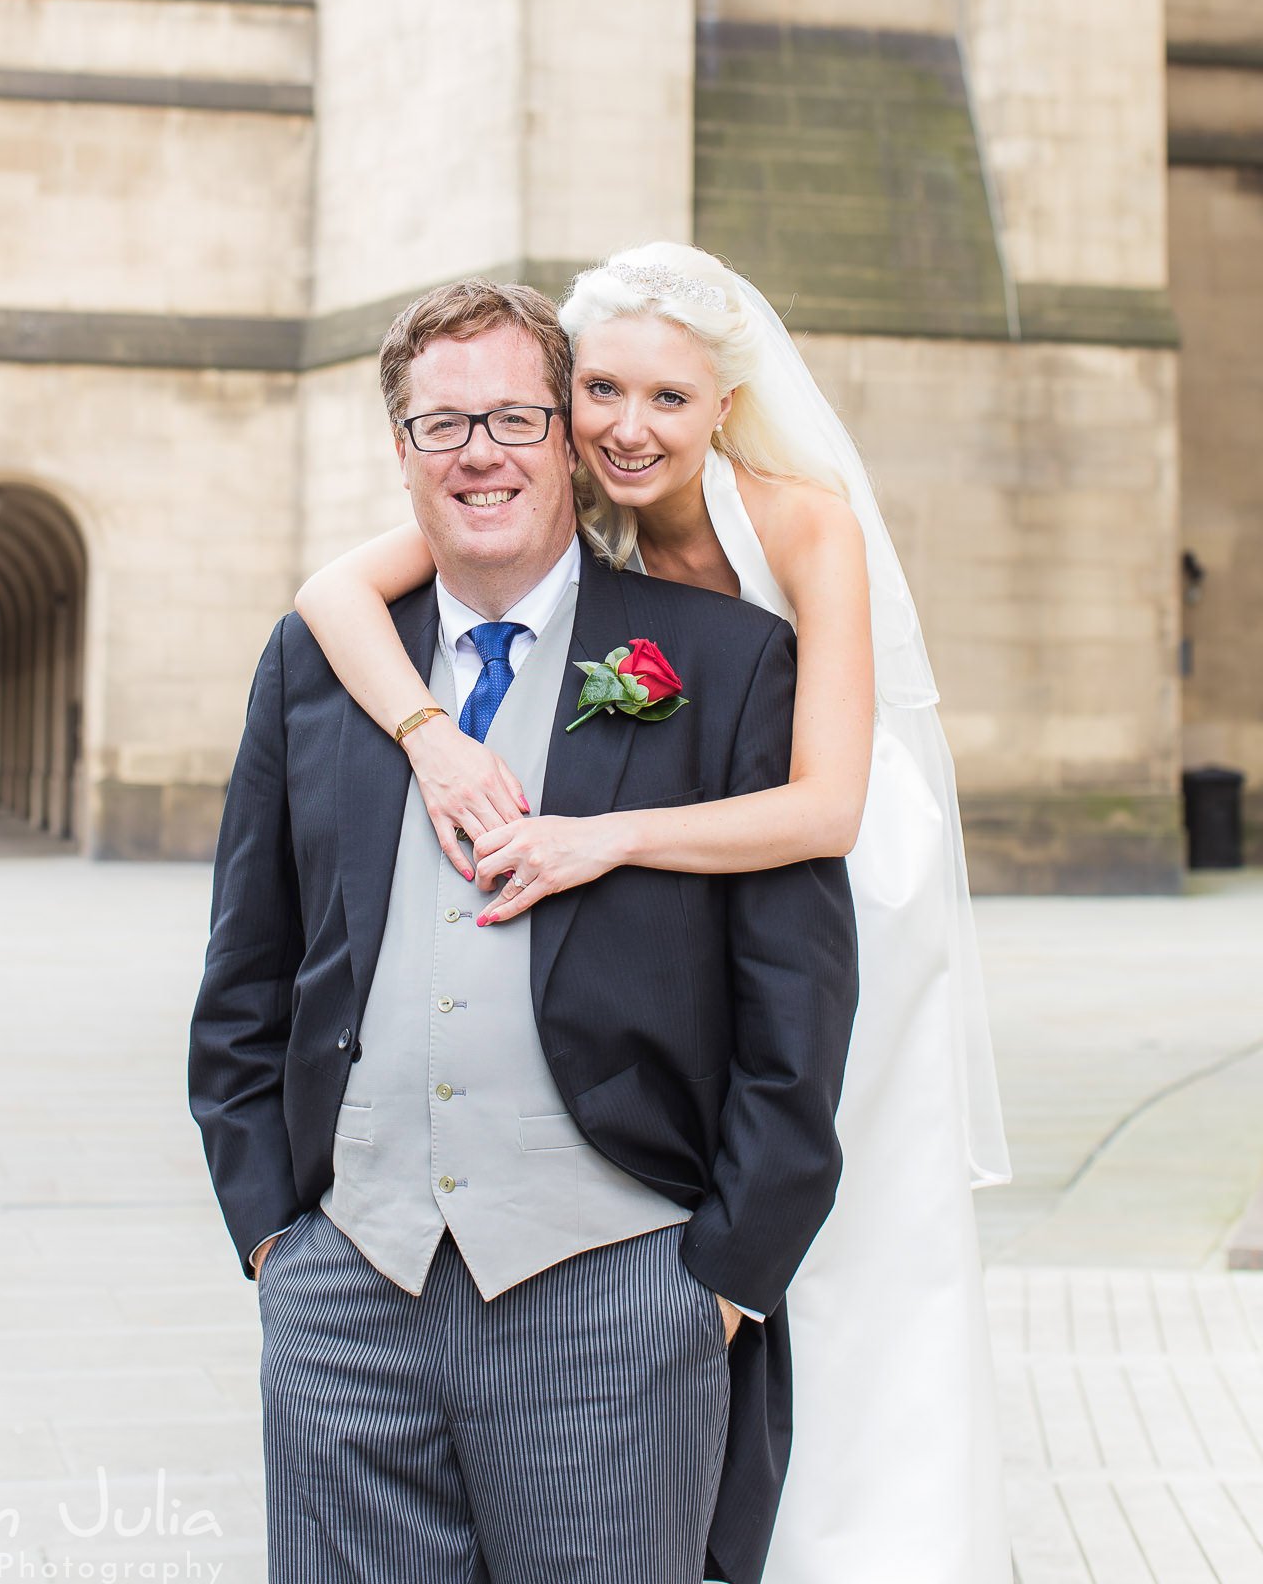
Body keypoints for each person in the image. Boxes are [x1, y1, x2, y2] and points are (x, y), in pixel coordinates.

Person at [292, 244, 1015, 1583]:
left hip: (834, 866)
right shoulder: (585, 499)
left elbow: (829, 810)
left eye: (668, 400)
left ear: (725, 408)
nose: (628, 428)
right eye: (602, 391)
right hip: (672, 861)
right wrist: (433, 737)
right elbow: (334, 595)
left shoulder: (804, 523)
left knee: (844, 1243)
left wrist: (596, 840)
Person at [188, 276, 859, 1584]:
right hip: (344, 1300)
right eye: (443, 426)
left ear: (566, 440)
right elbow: (246, 971)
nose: (481, 452)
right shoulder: (319, 666)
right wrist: (277, 1238)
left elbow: (800, 1003)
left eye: (512, 416)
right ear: (401, 454)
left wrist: (719, 1281)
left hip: (621, 1298)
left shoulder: (719, 664)